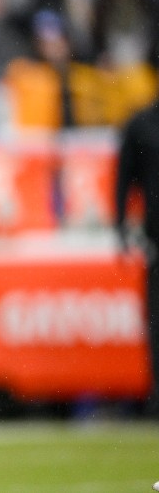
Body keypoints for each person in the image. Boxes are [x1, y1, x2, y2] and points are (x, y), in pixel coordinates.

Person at [115, 98, 159, 417]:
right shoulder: (142, 123)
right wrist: (120, 225)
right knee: (156, 322)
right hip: (157, 240)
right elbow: (124, 177)